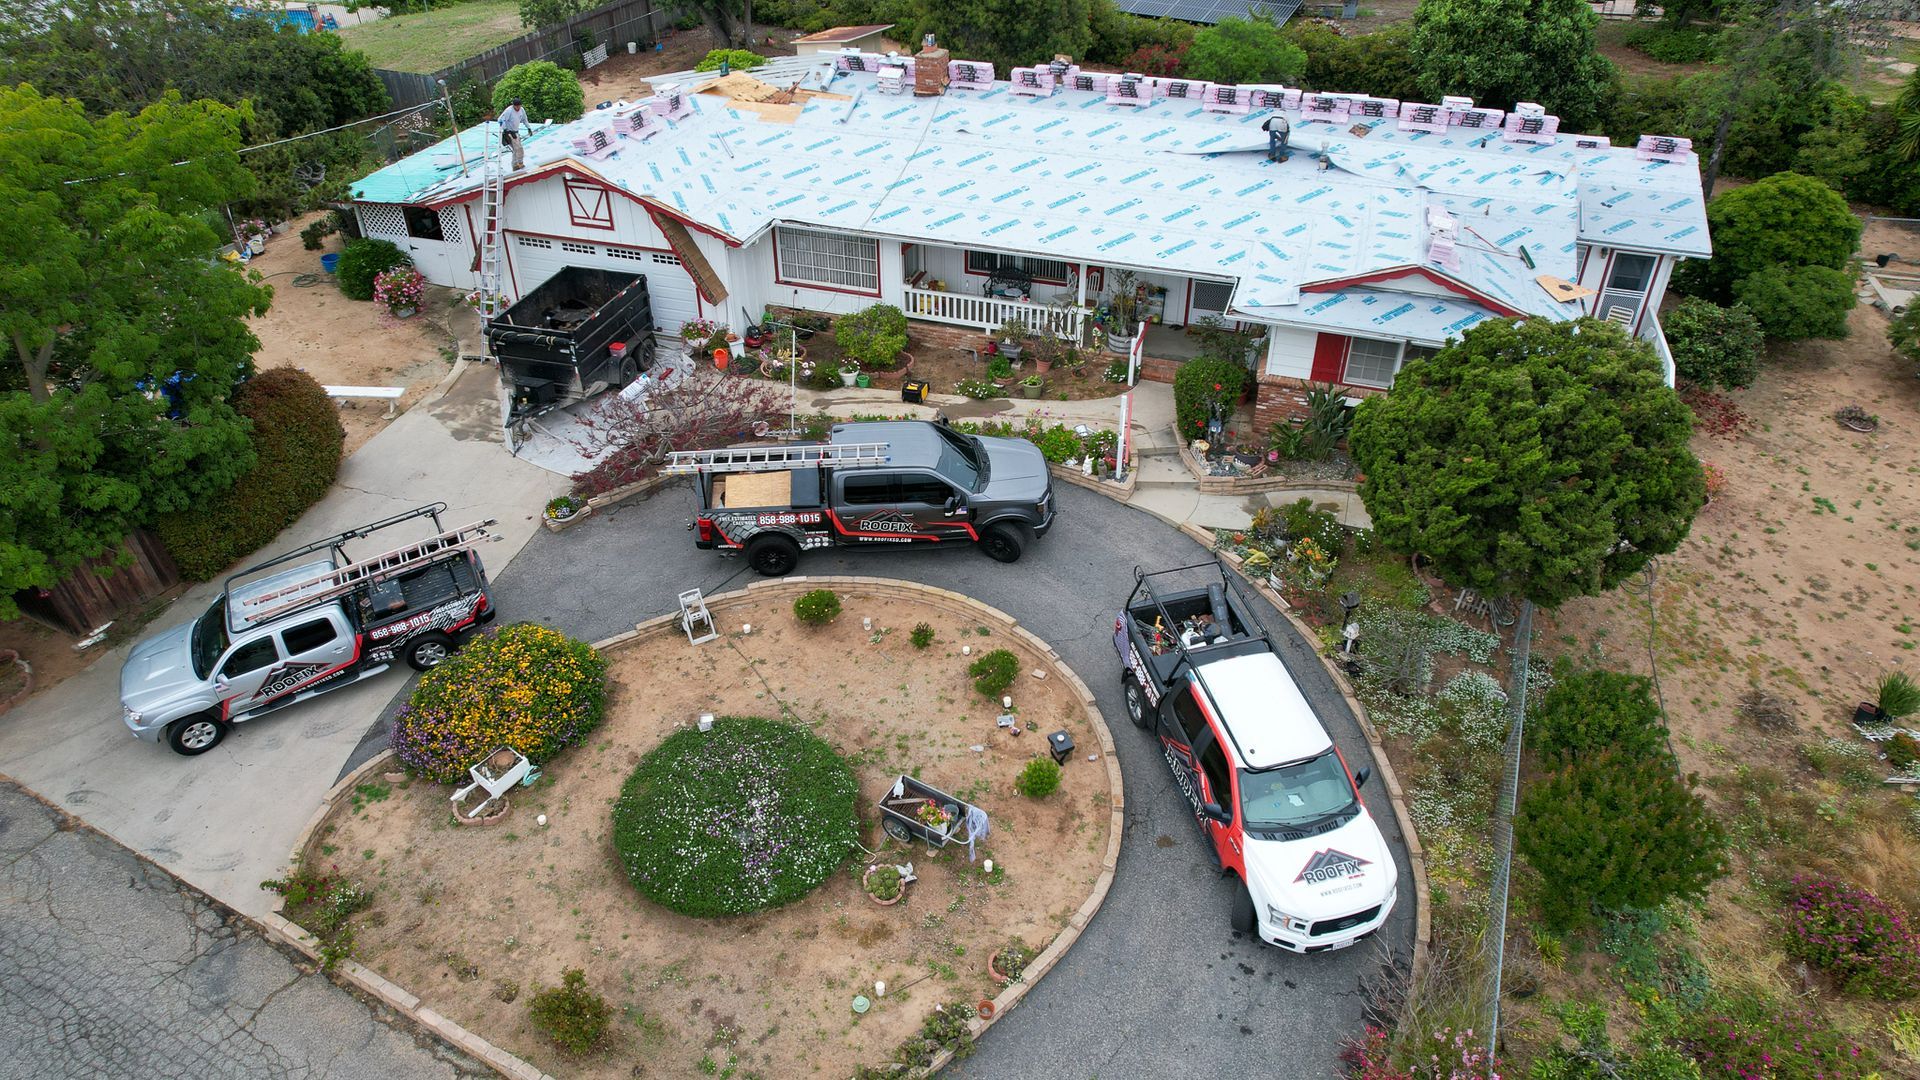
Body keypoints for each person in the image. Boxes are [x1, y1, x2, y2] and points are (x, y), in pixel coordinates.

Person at [499, 97, 528, 170]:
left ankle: (516, 164)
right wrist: (506, 130)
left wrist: (528, 127)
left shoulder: (522, 110)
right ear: (513, 105)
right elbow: (500, 120)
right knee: (518, 148)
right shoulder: (509, 111)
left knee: (517, 149)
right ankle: (518, 163)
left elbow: (525, 119)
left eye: (519, 106)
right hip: (509, 132)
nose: (518, 107)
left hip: (516, 131)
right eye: (516, 106)